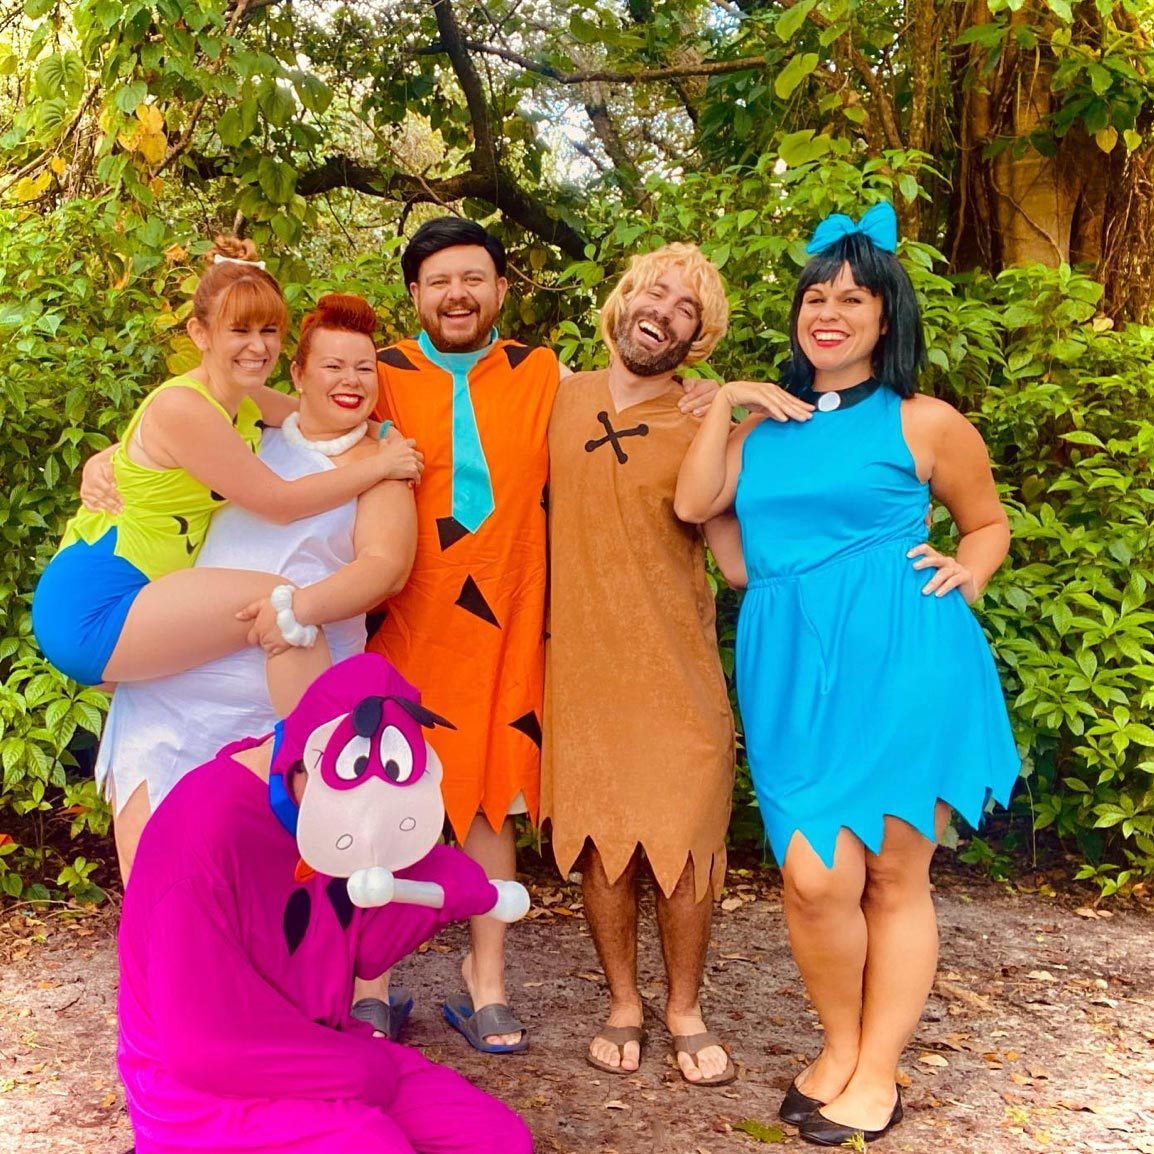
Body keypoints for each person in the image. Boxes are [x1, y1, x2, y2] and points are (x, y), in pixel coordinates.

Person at [675, 202, 1020, 1144]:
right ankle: (838, 1043)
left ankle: (874, 1069)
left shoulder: (925, 421)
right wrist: (738, 396)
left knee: (895, 875)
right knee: (814, 878)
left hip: (905, 658)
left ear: (885, 317)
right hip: (788, 668)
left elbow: (986, 522)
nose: (830, 312)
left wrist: (969, 571)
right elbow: (700, 507)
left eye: (853, 299)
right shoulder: (762, 434)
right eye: (816, 296)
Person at [369, 219, 716, 1052]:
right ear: (415, 294)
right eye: (440, 280)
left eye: (475, 278)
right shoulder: (377, 375)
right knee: (382, 796)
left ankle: (484, 981)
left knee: (494, 798)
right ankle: (367, 983)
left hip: (509, 621)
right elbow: (297, 416)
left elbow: (648, 409)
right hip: (402, 620)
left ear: (500, 290)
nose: (458, 293)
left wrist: (718, 398)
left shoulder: (543, 377)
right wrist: (126, 455)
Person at [541, 243, 807, 1086]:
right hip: (579, 668)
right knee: (601, 844)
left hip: (675, 671)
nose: (665, 309)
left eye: (686, 308)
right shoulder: (554, 395)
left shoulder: (704, 421)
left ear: (697, 339)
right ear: (623, 302)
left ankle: (683, 1006)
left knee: (687, 846)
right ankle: (624, 1002)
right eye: (654, 291)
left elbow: (733, 560)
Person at [117, 652, 533, 1154]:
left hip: (324, 1044)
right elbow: (201, 1049)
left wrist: (443, 889)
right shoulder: (199, 833)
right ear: (302, 759)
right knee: (371, 1145)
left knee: (496, 1141)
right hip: (203, 1090)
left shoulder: (347, 809)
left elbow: (363, 948)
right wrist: (362, 1069)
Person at [91, 293, 418, 883]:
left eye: (365, 367)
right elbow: (161, 447)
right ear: (297, 374)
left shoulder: (384, 464)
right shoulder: (250, 433)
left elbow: (384, 567)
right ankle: (158, 976)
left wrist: (297, 608)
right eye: (333, 366)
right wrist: (105, 458)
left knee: (272, 883)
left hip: (283, 691)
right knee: (156, 880)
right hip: (175, 688)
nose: (350, 380)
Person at [32, 236, 419, 727]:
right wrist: (382, 465)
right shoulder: (184, 406)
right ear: (200, 333)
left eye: (269, 330)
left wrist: (384, 433)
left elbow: (319, 409)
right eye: (240, 329)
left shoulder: (248, 401)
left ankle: (300, 769)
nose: (258, 347)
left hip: (150, 591)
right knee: (286, 604)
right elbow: (278, 502)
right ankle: (324, 766)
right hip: (99, 600)